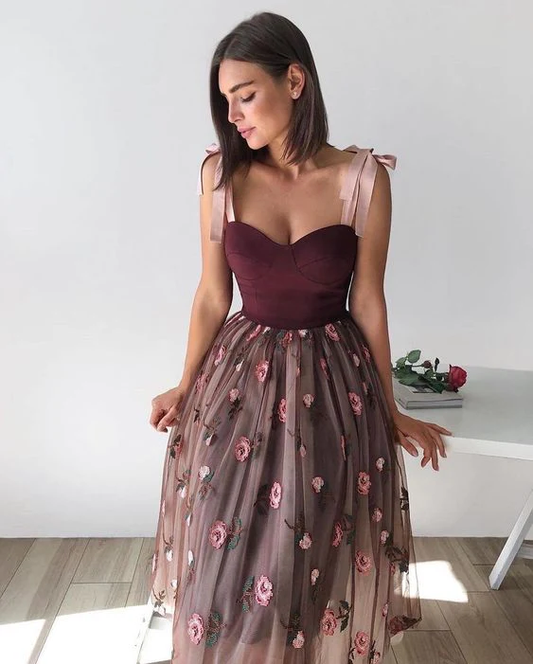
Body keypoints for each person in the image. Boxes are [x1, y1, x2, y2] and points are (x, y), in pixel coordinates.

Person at [148, 11, 450, 664]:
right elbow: (212, 294)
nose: (232, 116)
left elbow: (367, 301)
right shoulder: (220, 176)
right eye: (225, 101)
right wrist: (184, 382)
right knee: (226, 565)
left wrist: (390, 407)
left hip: (333, 391)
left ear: (294, 81)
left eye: (245, 95)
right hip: (239, 389)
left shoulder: (363, 179)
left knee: (312, 560)